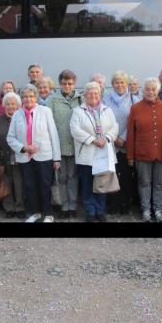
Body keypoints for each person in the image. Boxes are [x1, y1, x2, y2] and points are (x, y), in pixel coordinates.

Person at [7, 84, 61, 222]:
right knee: (30, 186)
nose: (28, 99)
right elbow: (10, 138)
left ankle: (48, 214)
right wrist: (24, 148)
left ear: (36, 97)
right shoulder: (17, 115)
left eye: (31, 96)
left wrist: (56, 158)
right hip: (25, 157)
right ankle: (34, 213)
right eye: (25, 96)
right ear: (21, 98)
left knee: (45, 185)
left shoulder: (45, 111)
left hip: (44, 156)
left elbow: (53, 134)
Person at [70, 82, 119, 222]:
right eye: (90, 93)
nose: (93, 96)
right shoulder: (78, 111)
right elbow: (75, 130)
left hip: (104, 153)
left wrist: (107, 138)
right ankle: (90, 212)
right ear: (85, 95)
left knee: (101, 184)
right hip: (87, 154)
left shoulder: (107, 110)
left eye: (96, 93)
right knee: (87, 184)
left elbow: (114, 127)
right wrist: (92, 140)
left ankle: (100, 211)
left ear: (100, 95)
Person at [126, 77, 162, 222]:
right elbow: (131, 134)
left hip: (161, 154)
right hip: (142, 154)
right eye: (148, 89)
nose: (150, 92)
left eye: (153, 89)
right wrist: (130, 156)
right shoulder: (135, 108)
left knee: (159, 184)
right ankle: (146, 211)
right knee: (144, 183)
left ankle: (158, 210)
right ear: (143, 90)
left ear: (158, 90)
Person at [47, 69, 83, 219]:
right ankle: (63, 205)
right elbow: (48, 125)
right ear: (59, 84)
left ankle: (73, 205)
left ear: (74, 84)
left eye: (70, 83)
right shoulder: (52, 100)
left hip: (76, 147)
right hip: (59, 146)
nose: (67, 86)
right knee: (60, 178)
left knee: (72, 177)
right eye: (64, 83)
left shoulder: (81, 99)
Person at [102, 70, 138, 215]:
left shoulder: (133, 100)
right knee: (112, 174)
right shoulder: (106, 99)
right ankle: (113, 204)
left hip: (126, 143)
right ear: (112, 84)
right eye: (116, 82)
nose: (119, 85)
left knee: (126, 176)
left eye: (122, 82)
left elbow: (135, 122)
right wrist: (114, 137)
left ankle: (125, 203)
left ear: (127, 84)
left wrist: (123, 138)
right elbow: (102, 119)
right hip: (110, 143)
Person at [0, 92, 26, 218]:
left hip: (19, 157)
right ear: (4, 106)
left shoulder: (23, 118)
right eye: (8, 104)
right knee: (6, 183)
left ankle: (20, 207)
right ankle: (9, 208)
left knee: (19, 183)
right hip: (3, 158)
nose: (10, 106)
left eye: (13, 104)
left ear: (18, 105)